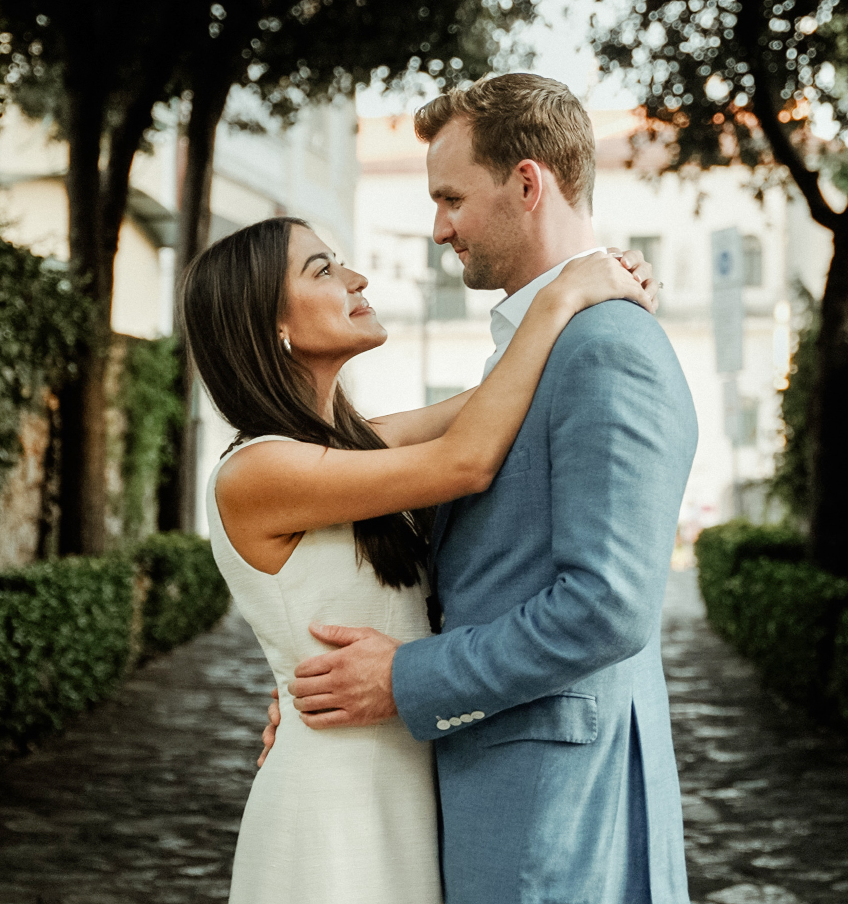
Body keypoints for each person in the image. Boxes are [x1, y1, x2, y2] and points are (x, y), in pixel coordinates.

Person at [271, 73, 700, 904]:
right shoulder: (546, 346)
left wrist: (406, 679)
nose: (439, 229)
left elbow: (608, 604)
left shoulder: (603, 345)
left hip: (553, 816)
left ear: (528, 183)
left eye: (450, 198)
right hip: (503, 795)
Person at [182, 206, 658, 904]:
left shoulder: (353, 445)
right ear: (272, 327)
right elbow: (465, 461)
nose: (357, 276)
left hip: (405, 788)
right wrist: (562, 294)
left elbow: (500, 401)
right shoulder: (257, 472)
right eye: (323, 269)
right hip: (332, 808)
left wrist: (599, 295)